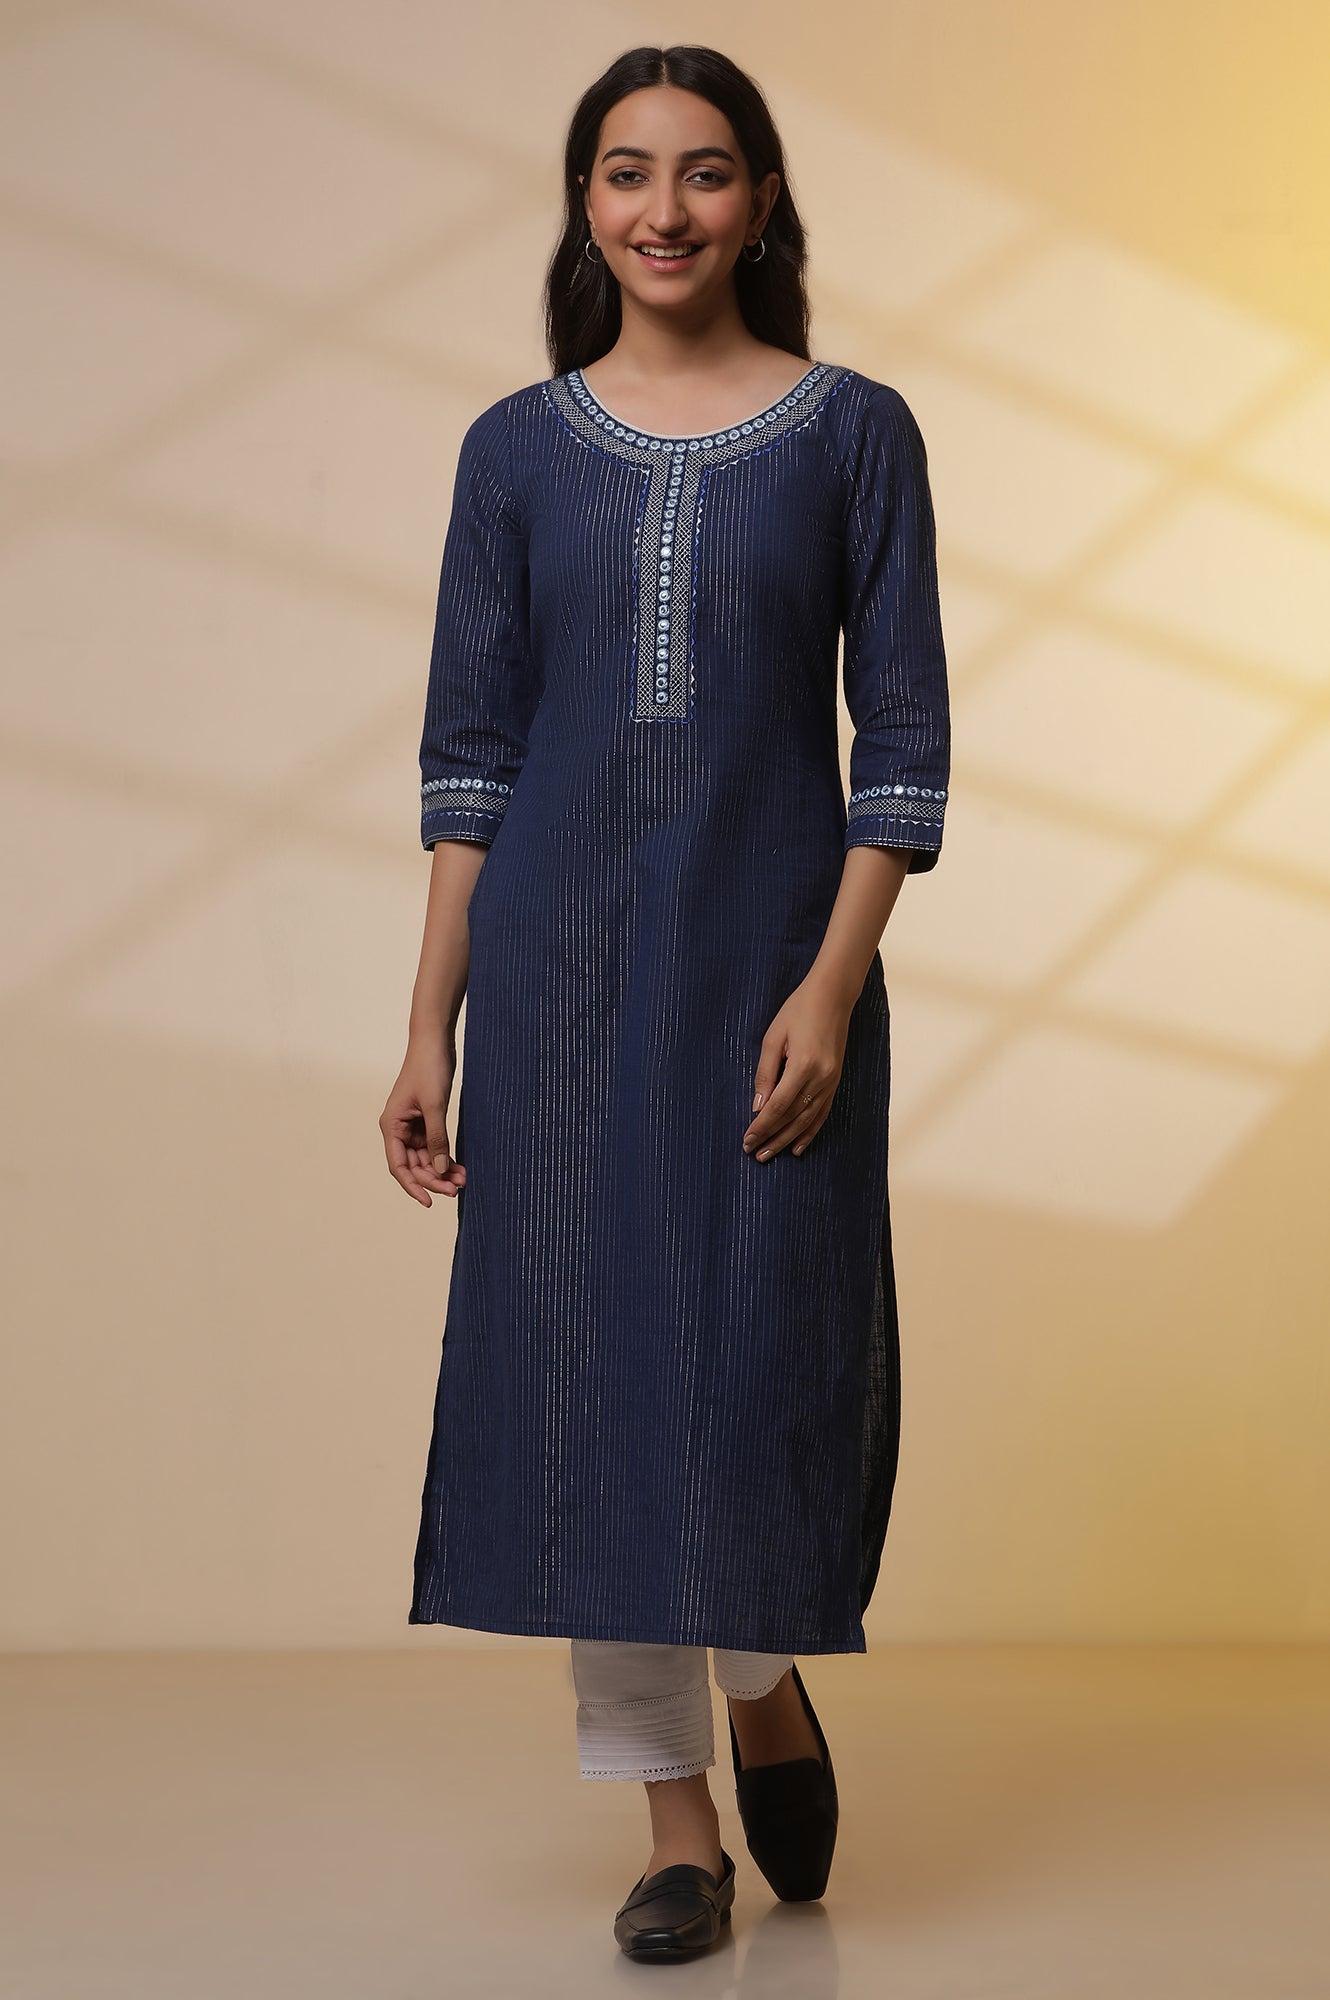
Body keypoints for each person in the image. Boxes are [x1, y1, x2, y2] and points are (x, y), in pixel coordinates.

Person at [379, 44, 950, 1962]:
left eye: (704, 172)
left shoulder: (854, 433)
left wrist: (831, 985)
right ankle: (673, 1827)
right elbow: (470, 764)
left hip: (770, 976)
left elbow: (902, 748)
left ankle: (764, 1674)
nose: (664, 209)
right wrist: (430, 1025)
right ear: (583, 203)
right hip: (554, 981)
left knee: (755, 1363)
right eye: (625, 173)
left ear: (762, 201)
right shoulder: (513, 452)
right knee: (587, 1377)